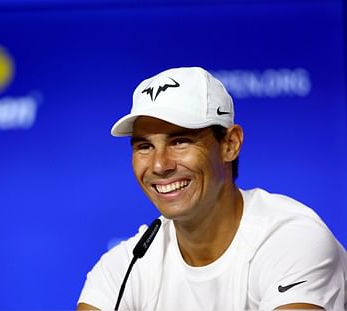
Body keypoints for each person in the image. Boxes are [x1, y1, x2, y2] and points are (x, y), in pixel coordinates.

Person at [77, 67, 347, 310]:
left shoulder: (291, 239)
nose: (159, 165)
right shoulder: (124, 268)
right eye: (144, 146)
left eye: (180, 142)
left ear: (230, 144)